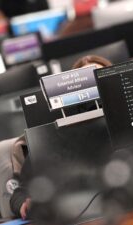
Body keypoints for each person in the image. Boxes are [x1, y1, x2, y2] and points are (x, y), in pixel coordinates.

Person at [10, 55, 112, 219]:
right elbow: (20, 193)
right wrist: (24, 203)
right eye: (87, 84)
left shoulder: (129, 128)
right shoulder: (54, 138)